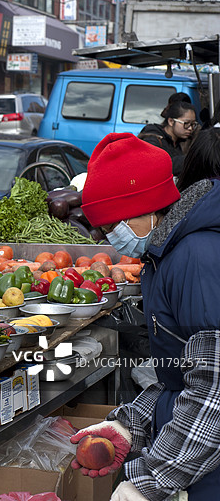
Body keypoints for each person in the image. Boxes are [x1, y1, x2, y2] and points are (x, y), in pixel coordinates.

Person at [76, 131, 220, 500]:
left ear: (147, 208)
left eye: (113, 225)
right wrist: (132, 423)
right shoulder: (166, 254)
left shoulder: (196, 259)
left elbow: (213, 391)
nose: (111, 237)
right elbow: (182, 375)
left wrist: (149, 482)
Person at [138, 100, 197, 176]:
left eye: (193, 124)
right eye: (186, 123)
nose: (190, 128)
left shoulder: (178, 141)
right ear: (171, 121)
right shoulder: (153, 138)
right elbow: (157, 166)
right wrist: (191, 159)